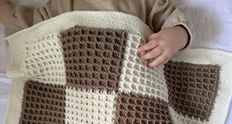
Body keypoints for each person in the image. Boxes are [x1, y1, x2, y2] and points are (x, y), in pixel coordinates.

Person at [0, 0, 193, 68]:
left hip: (134, 85)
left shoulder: (144, 2)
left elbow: (175, 21)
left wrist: (174, 37)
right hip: (81, 91)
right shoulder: (60, 5)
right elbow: (27, 28)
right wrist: (5, 10)